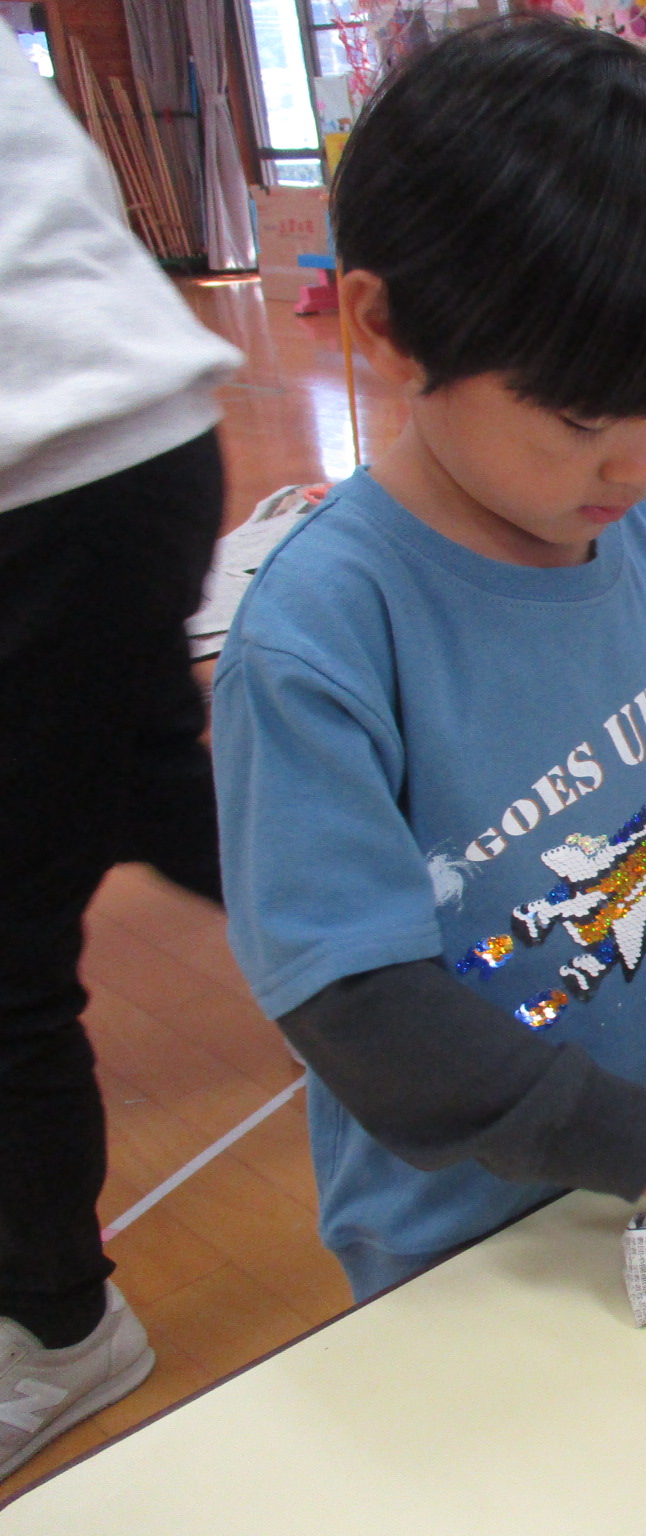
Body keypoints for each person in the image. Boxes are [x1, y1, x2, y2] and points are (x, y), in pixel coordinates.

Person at [209, 17, 646, 1305]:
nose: (640, 465)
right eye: (585, 418)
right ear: (389, 324)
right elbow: (359, 1008)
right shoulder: (322, 636)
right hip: (469, 1243)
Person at [0, 33, 243, 1477]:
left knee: (6, 962)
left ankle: (58, 1321)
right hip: (146, 440)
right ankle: (425, 952)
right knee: (155, 778)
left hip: (43, 473)